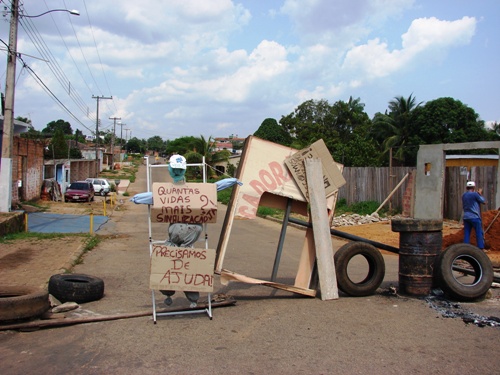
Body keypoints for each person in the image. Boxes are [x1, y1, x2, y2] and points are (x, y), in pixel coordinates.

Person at [462, 181, 486, 251]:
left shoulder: (464, 195)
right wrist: (480, 194)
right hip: (475, 217)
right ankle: (480, 247)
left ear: (467, 188)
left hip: (466, 217)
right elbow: (483, 201)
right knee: (478, 232)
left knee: (467, 232)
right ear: (474, 188)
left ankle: (465, 247)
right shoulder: (475, 194)